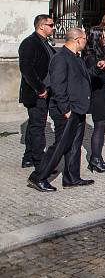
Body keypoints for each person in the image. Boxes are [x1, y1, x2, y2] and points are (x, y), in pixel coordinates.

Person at [27, 28, 94, 192]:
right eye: (84, 38)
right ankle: (38, 177)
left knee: (74, 145)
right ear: (78, 39)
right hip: (66, 110)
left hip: (78, 108)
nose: (86, 42)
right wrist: (65, 109)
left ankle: (72, 178)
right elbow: (57, 86)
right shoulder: (60, 58)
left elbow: (83, 77)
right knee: (60, 145)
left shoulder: (76, 58)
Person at [18, 14, 56, 170]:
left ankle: (28, 158)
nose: (53, 28)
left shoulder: (44, 42)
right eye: (51, 25)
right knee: (38, 127)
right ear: (41, 26)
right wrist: (40, 88)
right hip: (36, 93)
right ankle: (41, 163)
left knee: (34, 125)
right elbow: (26, 69)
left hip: (45, 92)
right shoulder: (30, 43)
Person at [84, 27, 105, 173]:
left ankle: (98, 157)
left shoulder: (103, 52)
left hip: (104, 93)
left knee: (101, 127)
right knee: (99, 127)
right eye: (103, 36)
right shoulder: (91, 56)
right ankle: (95, 159)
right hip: (98, 94)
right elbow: (95, 75)